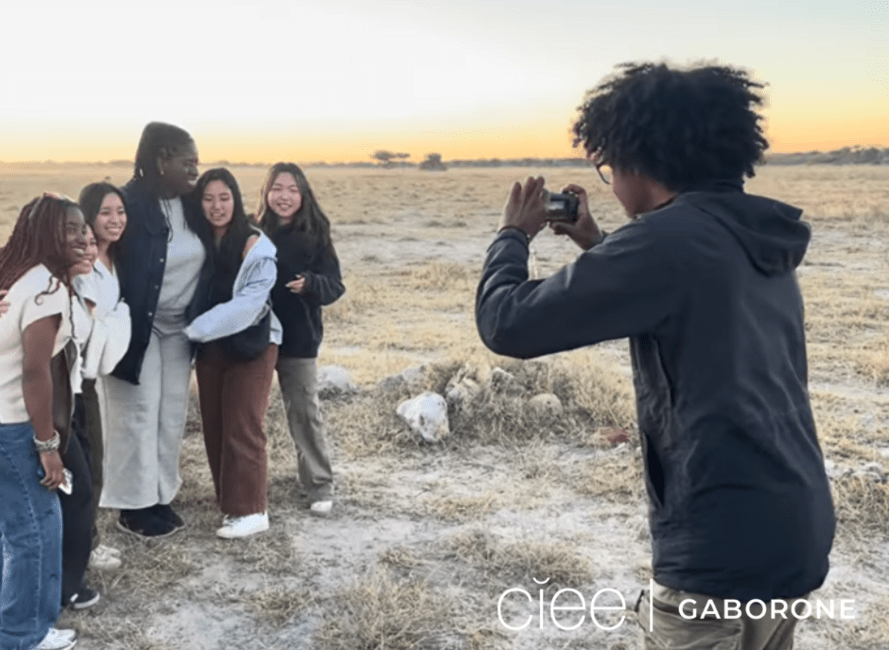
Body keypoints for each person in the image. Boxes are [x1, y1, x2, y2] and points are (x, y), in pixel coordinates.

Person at [475, 62, 835, 650]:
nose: (610, 177)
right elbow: (682, 290)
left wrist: (511, 236)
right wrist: (597, 242)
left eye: (608, 163)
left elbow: (506, 323)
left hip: (719, 543)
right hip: (793, 522)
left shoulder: (668, 243)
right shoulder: (752, 233)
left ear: (639, 158)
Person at [101, 122, 212, 538]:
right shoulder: (125, 203)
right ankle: (133, 507)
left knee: (170, 415)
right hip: (137, 326)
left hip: (180, 328)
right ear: (162, 159)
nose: (195, 170)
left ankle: (161, 494)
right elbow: (84, 243)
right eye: (188, 162)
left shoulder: (193, 205)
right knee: (136, 413)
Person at [0, 193, 86, 649]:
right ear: (45, 233)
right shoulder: (45, 289)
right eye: (69, 229)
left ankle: (22, 624)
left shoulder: (11, 274)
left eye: (81, 227)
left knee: (16, 530)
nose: (81, 236)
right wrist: (47, 445)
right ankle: (21, 635)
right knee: (34, 531)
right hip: (15, 425)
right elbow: (35, 372)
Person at [183, 168, 281, 538]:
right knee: (214, 425)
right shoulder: (198, 241)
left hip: (253, 343)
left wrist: (190, 331)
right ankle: (229, 500)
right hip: (213, 347)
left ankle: (252, 509)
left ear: (236, 200)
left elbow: (247, 306)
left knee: (243, 423)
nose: (216, 206)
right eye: (208, 199)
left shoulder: (257, 246)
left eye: (224, 198)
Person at [256, 163, 344, 515]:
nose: (284, 196)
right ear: (266, 192)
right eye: (277, 188)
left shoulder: (317, 233)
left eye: (292, 189)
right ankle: (248, 487)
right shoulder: (252, 230)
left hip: (299, 338)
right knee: (248, 416)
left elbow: (335, 285)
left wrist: (311, 284)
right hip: (255, 337)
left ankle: (320, 484)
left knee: (306, 414)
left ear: (303, 194)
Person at [74, 182, 130, 569]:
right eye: (106, 212)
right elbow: (92, 329)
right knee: (86, 466)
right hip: (77, 379)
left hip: (93, 376)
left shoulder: (114, 260)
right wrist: (120, 319)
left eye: (121, 212)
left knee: (96, 460)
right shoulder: (85, 266)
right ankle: (84, 547)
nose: (115, 220)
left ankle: (88, 541)